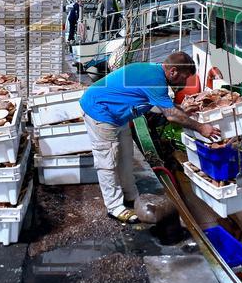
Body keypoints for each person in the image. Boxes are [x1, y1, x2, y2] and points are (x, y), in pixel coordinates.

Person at [80, 52, 221, 223]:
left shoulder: (156, 71)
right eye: (184, 78)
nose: (184, 84)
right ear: (173, 72)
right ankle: (114, 207)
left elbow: (163, 105)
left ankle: (131, 194)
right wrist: (201, 127)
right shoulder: (156, 81)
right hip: (101, 112)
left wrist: (183, 111)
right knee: (108, 161)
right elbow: (170, 116)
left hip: (117, 114)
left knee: (125, 155)